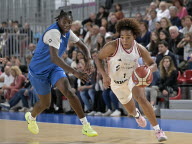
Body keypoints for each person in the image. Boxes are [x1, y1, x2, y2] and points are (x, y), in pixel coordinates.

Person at [26, 10, 98, 137]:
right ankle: (31, 117)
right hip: (38, 72)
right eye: (64, 22)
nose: (67, 25)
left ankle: (86, 126)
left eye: (69, 23)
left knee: (69, 92)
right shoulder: (54, 32)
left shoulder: (68, 32)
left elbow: (83, 46)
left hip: (54, 68)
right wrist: (75, 72)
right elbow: (54, 57)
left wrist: (89, 60)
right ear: (58, 20)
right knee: (45, 104)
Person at [95, 18, 167, 142]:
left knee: (142, 99)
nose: (124, 40)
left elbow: (152, 64)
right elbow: (97, 58)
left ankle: (158, 130)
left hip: (133, 78)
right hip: (116, 83)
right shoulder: (112, 46)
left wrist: (148, 70)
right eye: (122, 37)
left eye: (128, 37)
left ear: (134, 35)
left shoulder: (139, 48)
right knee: (131, 110)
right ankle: (137, 115)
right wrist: (104, 75)